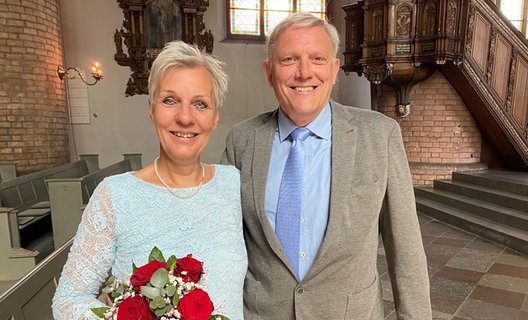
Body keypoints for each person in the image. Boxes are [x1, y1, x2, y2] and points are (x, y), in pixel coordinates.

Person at [221, 13, 432, 319]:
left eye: (317, 58)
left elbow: (406, 249)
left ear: (334, 71)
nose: (304, 72)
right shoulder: (241, 140)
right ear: (269, 72)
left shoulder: (379, 135)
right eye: (289, 59)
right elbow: (225, 244)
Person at [52, 41, 247, 320]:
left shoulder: (235, 185)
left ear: (215, 117)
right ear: (151, 109)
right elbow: (69, 299)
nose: (184, 117)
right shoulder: (115, 195)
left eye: (200, 104)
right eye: (170, 100)